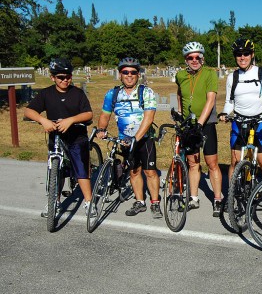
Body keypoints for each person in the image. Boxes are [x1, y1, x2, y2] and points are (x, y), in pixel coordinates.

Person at [24, 58, 93, 217]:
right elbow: (29, 111)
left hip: (76, 137)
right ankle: (54, 202)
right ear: (53, 77)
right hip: (56, 138)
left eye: (68, 76)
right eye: (61, 77)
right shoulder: (46, 93)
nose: (65, 80)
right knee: (55, 170)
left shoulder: (77, 93)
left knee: (81, 170)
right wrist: (42, 120)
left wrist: (71, 120)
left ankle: (89, 202)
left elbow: (88, 113)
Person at [96, 57, 161, 218]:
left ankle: (155, 202)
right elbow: (105, 114)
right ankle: (140, 202)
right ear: (120, 74)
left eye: (133, 72)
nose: (129, 75)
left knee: (150, 172)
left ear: (138, 74)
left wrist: (136, 138)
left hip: (145, 139)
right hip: (125, 140)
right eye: (125, 72)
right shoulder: (113, 93)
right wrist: (101, 129)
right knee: (133, 171)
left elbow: (149, 118)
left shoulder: (146, 92)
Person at [219, 38, 262, 182]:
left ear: (252, 54)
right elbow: (230, 102)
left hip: (259, 122)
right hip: (239, 122)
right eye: (239, 54)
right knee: (234, 162)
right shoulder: (232, 77)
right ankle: (231, 197)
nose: (242, 57)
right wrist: (224, 113)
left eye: (246, 53)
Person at [175, 42, 223, 217]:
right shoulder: (180, 75)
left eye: (197, 57)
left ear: (202, 58)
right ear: (186, 60)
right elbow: (180, 94)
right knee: (193, 163)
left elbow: (211, 100)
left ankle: (217, 199)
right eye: (190, 57)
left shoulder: (210, 73)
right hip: (189, 124)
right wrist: (180, 113)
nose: (194, 60)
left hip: (206, 124)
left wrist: (200, 124)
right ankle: (194, 198)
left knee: (212, 163)